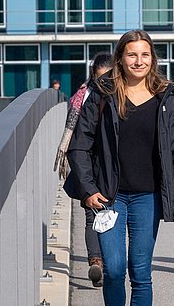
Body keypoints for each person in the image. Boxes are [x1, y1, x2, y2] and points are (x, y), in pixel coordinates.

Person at [66, 30, 174, 306]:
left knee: (140, 273)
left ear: (153, 58)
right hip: (109, 197)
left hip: (148, 198)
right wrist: (88, 190)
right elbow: (79, 146)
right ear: (120, 59)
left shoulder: (167, 98)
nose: (139, 61)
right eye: (132, 55)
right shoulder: (103, 94)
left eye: (145, 55)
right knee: (113, 269)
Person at [54, 51, 113, 287]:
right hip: (89, 162)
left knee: (98, 216)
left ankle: (99, 261)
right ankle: (98, 262)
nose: (103, 84)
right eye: (101, 79)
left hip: (98, 163)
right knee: (95, 215)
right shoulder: (88, 97)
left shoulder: (80, 95)